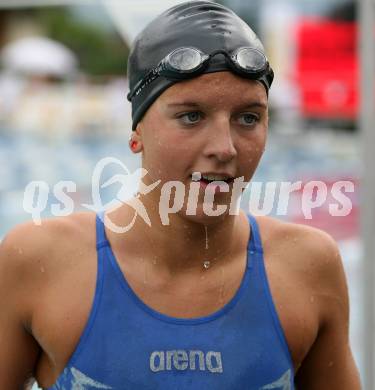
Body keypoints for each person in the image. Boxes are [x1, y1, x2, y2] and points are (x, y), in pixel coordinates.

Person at [0, 1, 360, 389]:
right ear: (137, 132)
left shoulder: (307, 267)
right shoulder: (40, 263)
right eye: (191, 116)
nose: (225, 148)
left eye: (248, 118)